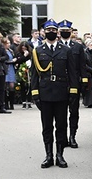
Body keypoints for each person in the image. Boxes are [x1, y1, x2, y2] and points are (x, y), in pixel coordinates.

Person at [30, 20, 79, 168]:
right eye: (48, 29)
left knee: (61, 125)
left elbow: (72, 73)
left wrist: (73, 91)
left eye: (53, 29)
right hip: (45, 93)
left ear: (57, 32)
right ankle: (48, 155)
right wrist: (35, 94)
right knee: (46, 127)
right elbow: (33, 75)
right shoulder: (38, 51)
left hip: (61, 92)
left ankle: (60, 155)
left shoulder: (66, 50)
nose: (51, 31)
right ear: (44, 32)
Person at [57, 20, 90, 148]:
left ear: (71, 32)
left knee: (74, 111)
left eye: (67, 31)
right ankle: (63, 137)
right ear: (59, 32)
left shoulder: (78, 47)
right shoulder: (56, 45)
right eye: (63, 31)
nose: (65, 33)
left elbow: (82, 65)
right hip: (60, 83)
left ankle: (72, 136)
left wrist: (84, 80)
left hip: (74, 82)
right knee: (61, 112)